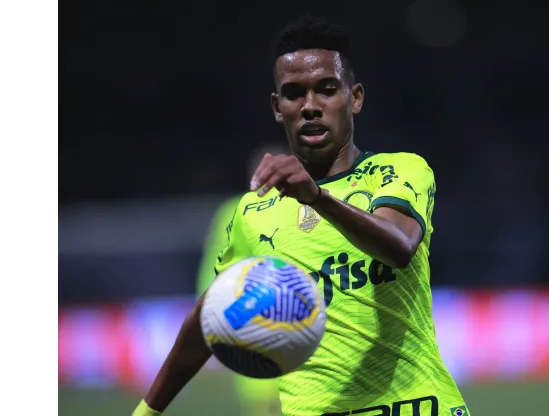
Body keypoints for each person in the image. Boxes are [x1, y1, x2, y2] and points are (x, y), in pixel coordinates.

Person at [133, 15, 469, 416]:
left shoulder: (399, 172)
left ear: (355, 97)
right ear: (278, 108)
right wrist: (146, 411)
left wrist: (318, 198)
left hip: (417, 406)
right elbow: (208, 317)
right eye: (294, 94)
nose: (311, 106)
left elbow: (399, 246)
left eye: (327, 89)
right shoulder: (253, 211)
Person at [195, 142, 287, 416]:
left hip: (293, 311)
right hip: (250, 314)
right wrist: (211, 314)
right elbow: (215, 264)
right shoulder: (235, 211)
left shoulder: (303, 209)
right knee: (261, 399)